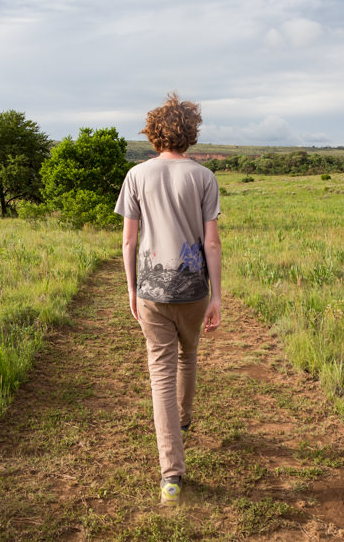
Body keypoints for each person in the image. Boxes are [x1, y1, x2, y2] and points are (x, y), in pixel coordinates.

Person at [114, 92, 222, 506]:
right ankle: (184, 420)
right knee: (188, 356)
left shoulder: (137, 175)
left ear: (154, 132)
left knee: (160, 373)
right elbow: (211, 244)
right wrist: (217, 296)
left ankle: (170, 476)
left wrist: (131, 290)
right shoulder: (204, 177)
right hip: (194, 289)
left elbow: (128, 240)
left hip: (152, 292)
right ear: (190, 133)